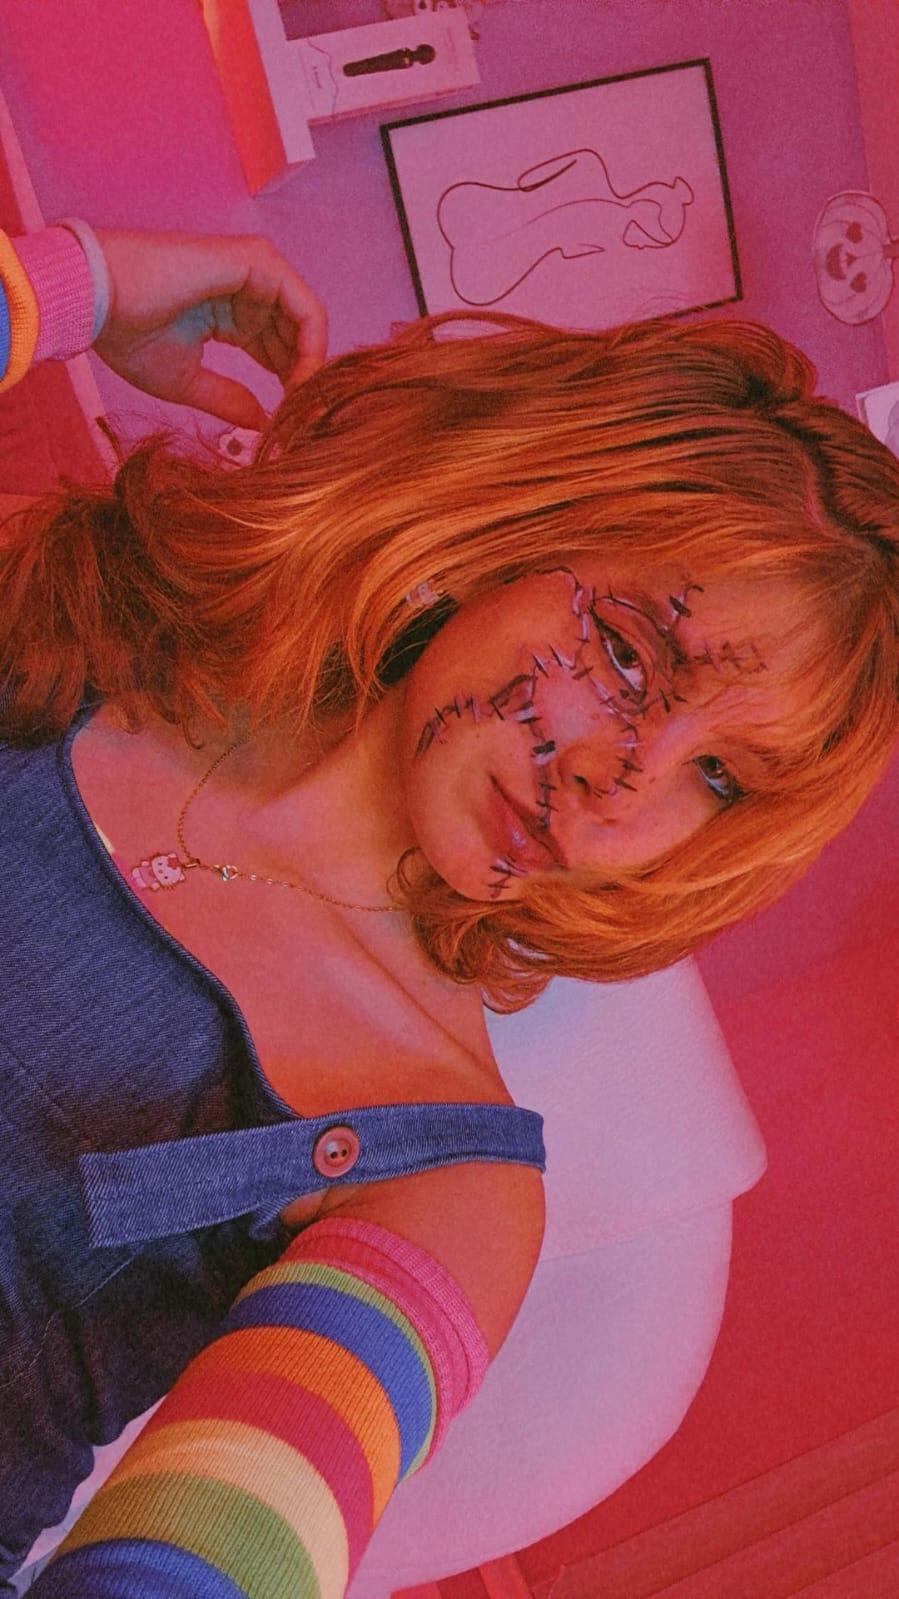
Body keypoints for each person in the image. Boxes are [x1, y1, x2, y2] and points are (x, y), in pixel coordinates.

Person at [0, 217, 897, 1598]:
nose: (622, 789)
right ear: (506, 520)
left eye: (719, 777)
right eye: (629, 653)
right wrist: (69, 284)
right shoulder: (65, 615)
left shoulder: (446, 1180)